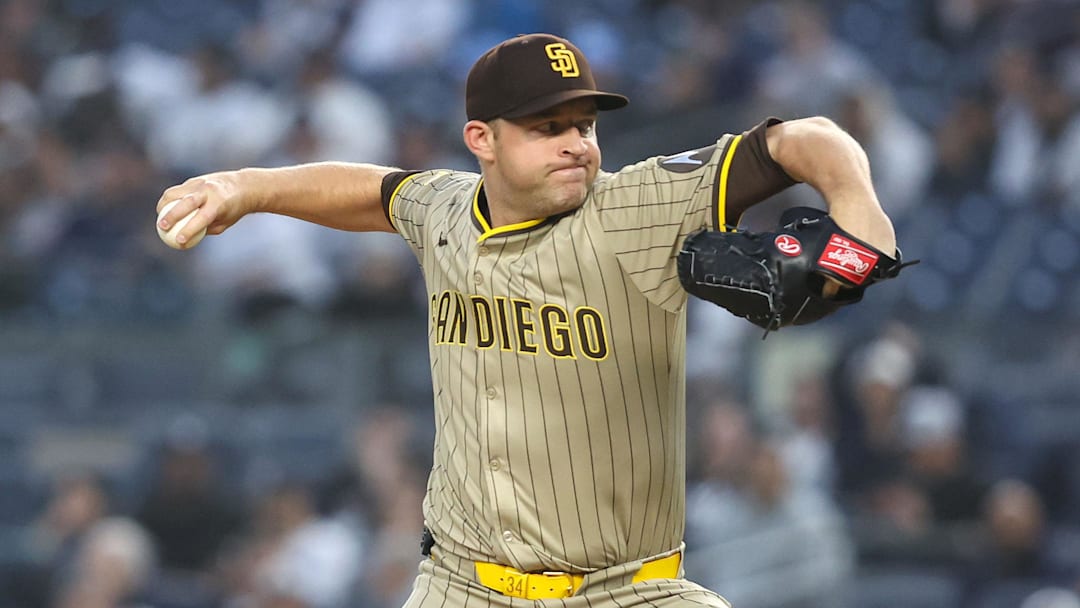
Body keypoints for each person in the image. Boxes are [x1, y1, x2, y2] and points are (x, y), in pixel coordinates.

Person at [155, 33, 896, 608]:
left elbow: (813, 139)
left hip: (626, 589)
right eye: (548, 127)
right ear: (483, 140)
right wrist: (243, 185)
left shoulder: (638, 207)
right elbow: (371, 192)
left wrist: (863, 235)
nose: (578, 142)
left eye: (584, 123)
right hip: (461, 585)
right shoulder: (443, 211)